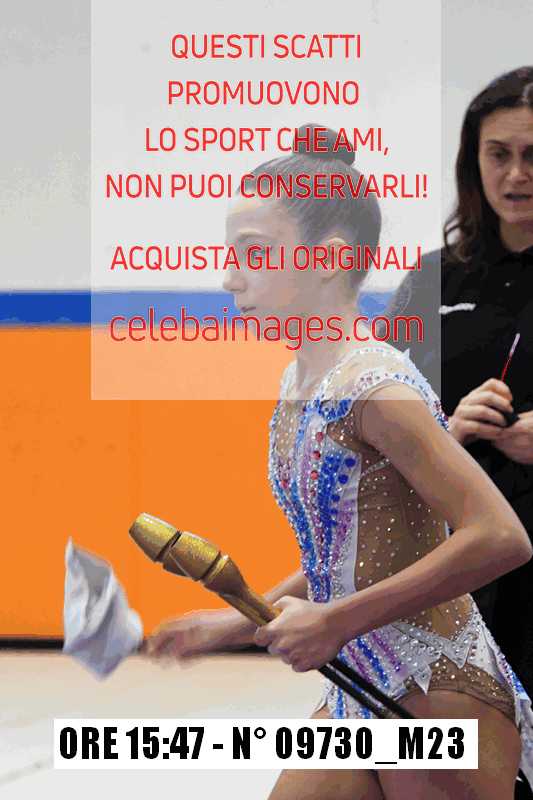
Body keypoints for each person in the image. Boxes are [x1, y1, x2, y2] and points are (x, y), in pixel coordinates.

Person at [147, 125, 533, 799]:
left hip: (435, 683)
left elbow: (500, 537)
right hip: (361, 680)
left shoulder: (376, 388)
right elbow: (354, 551)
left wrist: (333, 621)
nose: (230, 277)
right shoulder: (303, 381)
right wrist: (241, 619)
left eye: (254, 253)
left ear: (327, 259)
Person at [381, 67, 533, 710]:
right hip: (454, 573)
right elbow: (364, 421)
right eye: (498, 154)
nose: (516, 175)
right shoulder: (431, 281)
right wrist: (444, 432)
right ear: (473, 162)